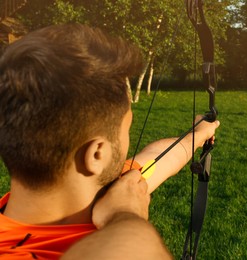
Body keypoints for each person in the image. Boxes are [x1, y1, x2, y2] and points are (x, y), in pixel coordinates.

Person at [0, 23, 220, 259]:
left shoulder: (103, 188)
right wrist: (125, 216)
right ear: (97, 154)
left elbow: (159, 158)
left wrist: (196, 136)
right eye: (127, 129)